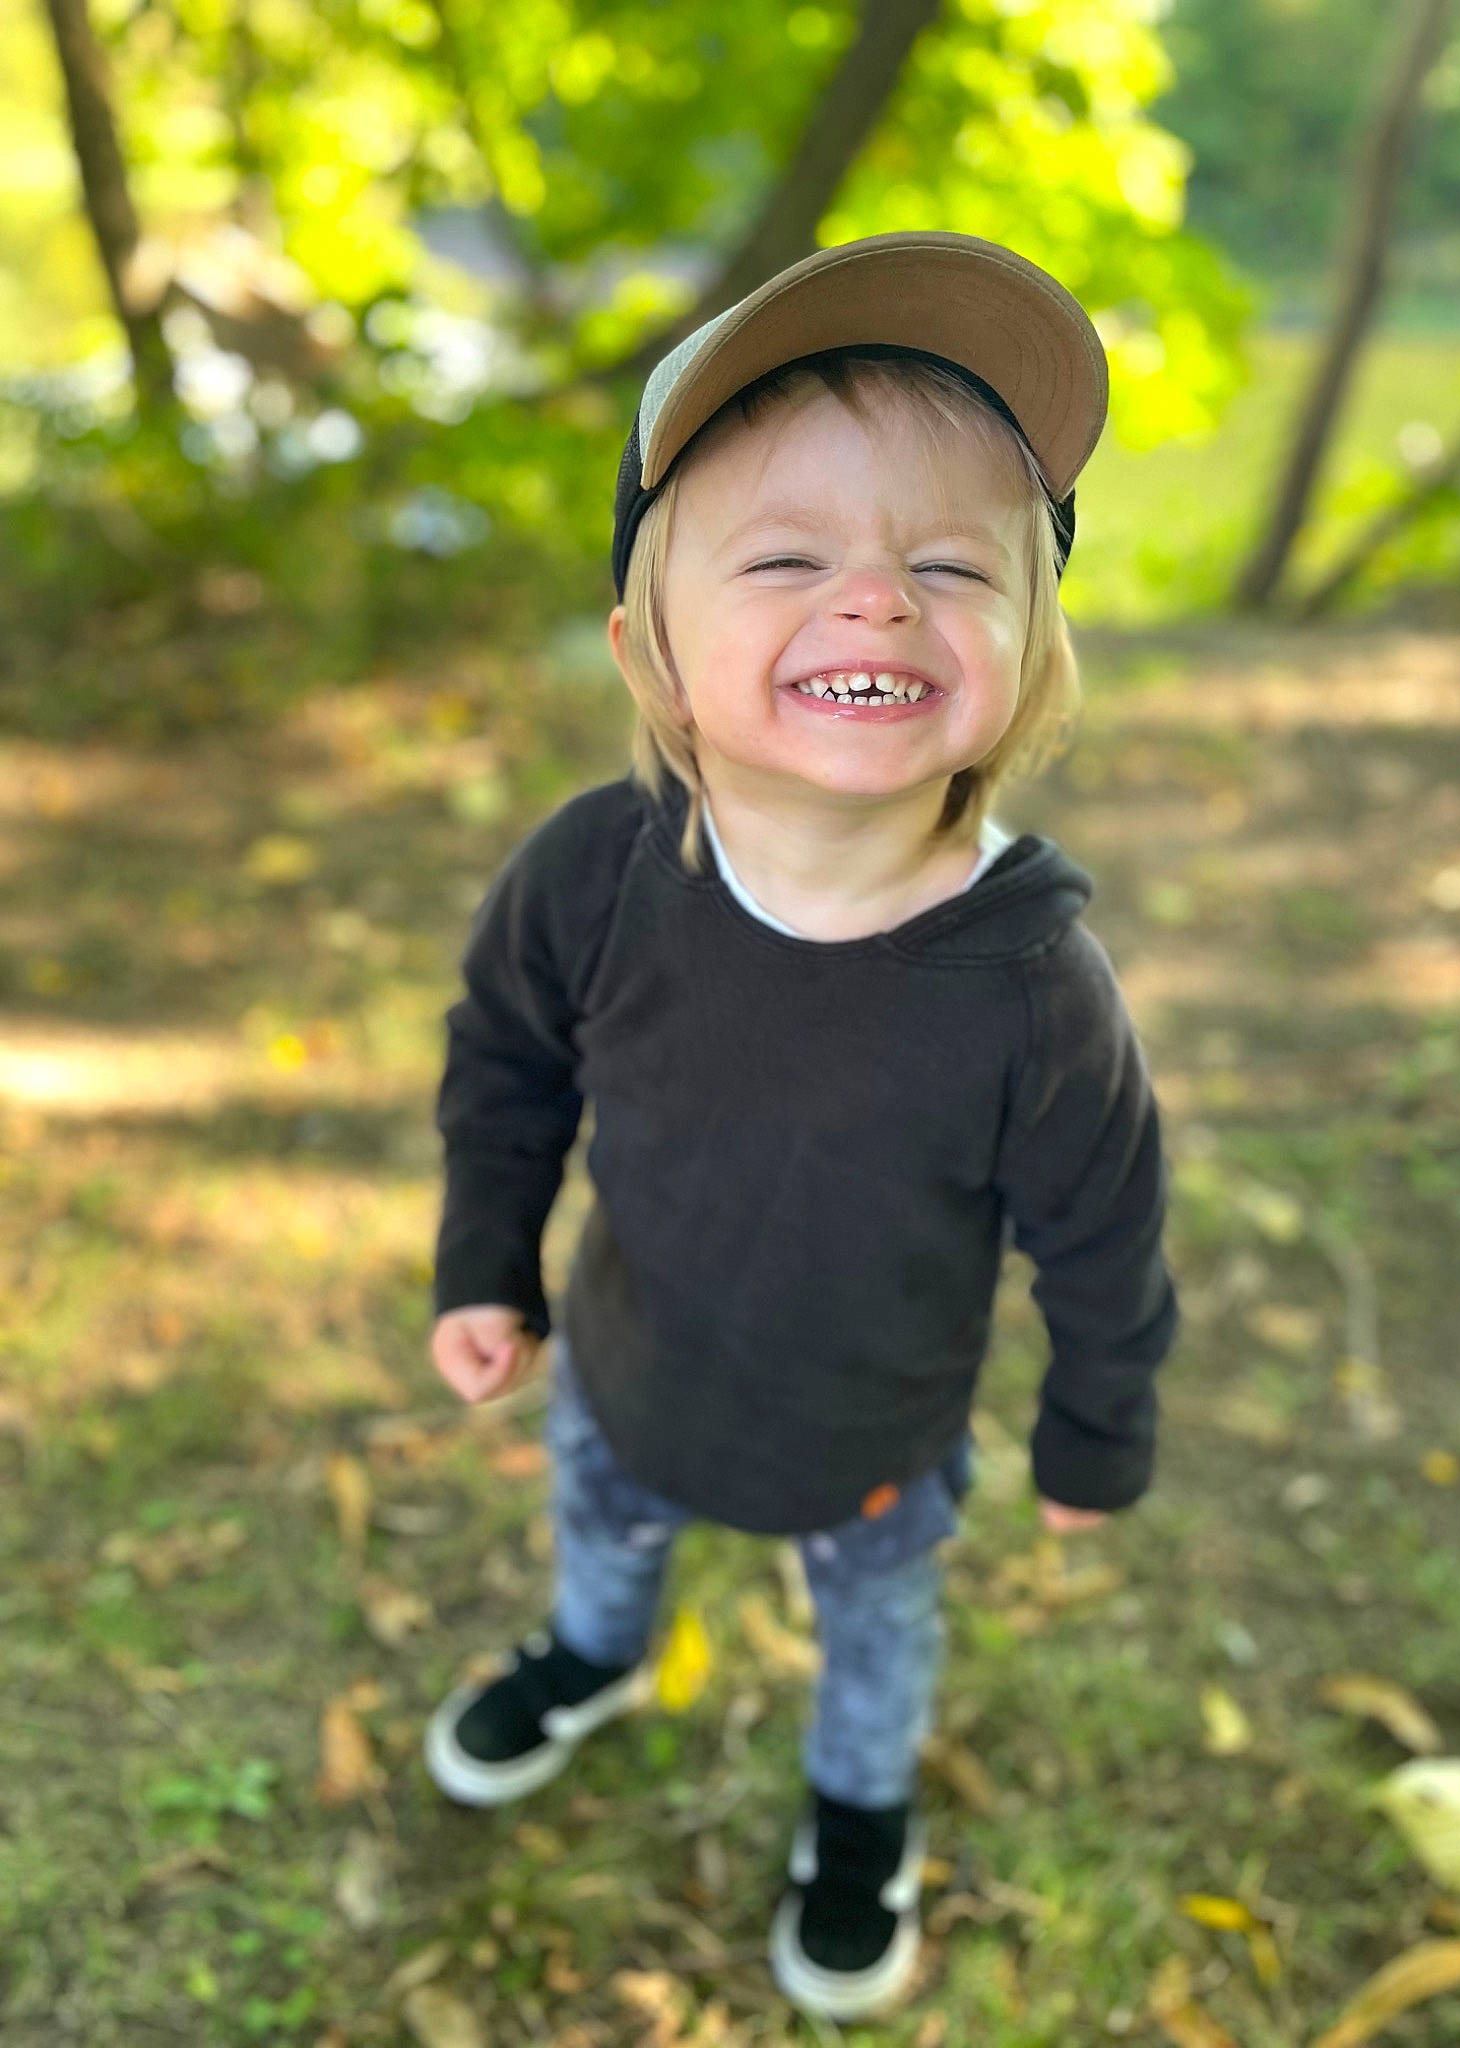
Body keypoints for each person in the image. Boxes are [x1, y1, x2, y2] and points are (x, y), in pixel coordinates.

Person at [421, 230, 1180, 2022]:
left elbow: (1104, 1237)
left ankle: (858, 1815)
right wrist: (484, 1263)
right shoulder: (595, 879)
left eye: (951, 565)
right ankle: (594, 1657)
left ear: (1033, 654)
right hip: (628, 1364)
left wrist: (1097, 1432)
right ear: (653, 651)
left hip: (874, 1432)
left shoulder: (1030, 990)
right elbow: (505, 1064)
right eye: (785, 557)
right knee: (606, 1538)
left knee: (878, 1636)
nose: (878, 603)